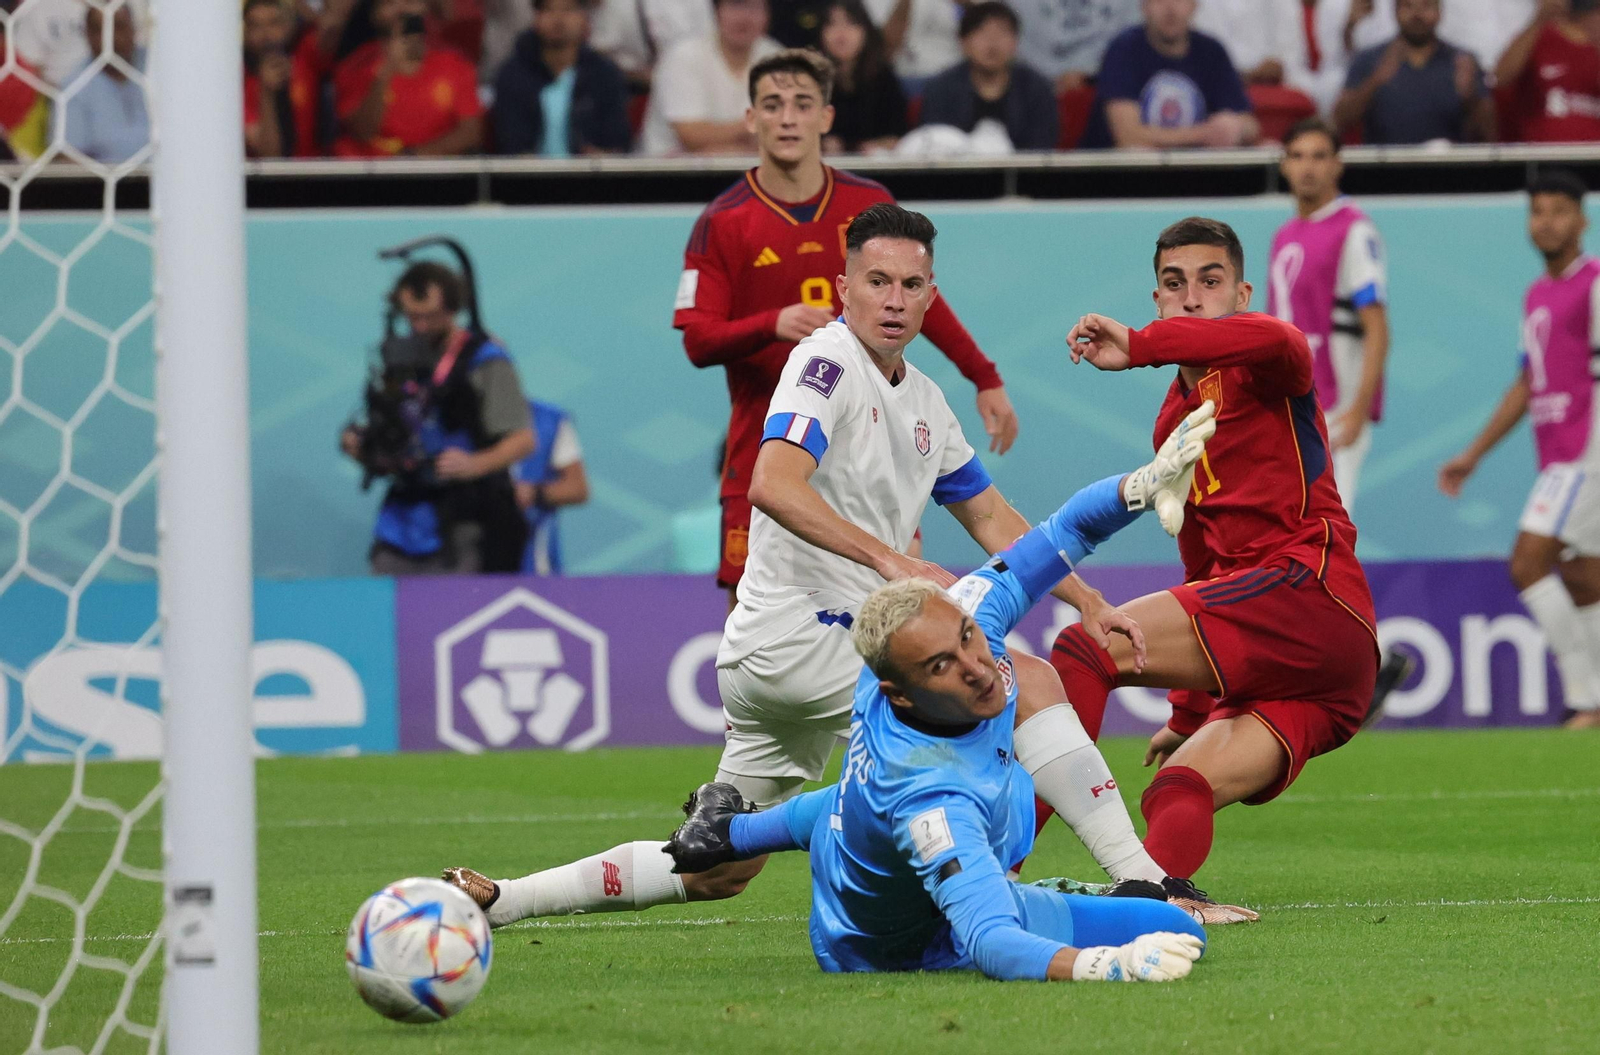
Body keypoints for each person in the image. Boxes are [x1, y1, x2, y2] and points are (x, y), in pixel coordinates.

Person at [442, 204, 1257, 927]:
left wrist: (1081, 595)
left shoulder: (926, 399)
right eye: (877, 281)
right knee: (1022, 684)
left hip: (784, 662)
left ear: (932, 295)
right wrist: (893, 566)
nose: (894, 299)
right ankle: (1146, 884)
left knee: (720, 866)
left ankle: (506, 897)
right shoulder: (824, 364)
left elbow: (988, 513)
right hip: (804, 633)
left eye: (911, 284)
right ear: (844, 287)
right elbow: (772, 482)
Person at [661, 425, 1221, 981]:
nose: (976, 667)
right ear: (900, 693)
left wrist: (1138, 488)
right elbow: (991, 942)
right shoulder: (932, 799)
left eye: (967, 639)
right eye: (940, 667)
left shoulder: (958, 619)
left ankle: (726, 829)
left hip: (849, 832)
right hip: (900, 943)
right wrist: (1109, 964)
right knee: (1173, 929)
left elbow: (1064, 529)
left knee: (846, 810)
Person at [1046, 217, 1380, 887]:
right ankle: (1151, 900)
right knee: (1177, 784)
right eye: (1174, 284)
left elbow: (1257, 338)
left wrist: (1140, 345)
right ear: (1158, 298)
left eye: (1210, 281)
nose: (1192, 297)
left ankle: (997, 873)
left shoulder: (1274, 356)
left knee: (1085, 650)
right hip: (1322, 673)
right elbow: (1201, 565)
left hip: (1307, 591)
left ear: (1243, 294)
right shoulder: (1173, 423)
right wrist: (1186, 713)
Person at [672, 48, 1018, 607]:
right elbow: (697, 340)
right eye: (773, 104)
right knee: (753, 614)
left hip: (874, 457)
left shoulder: (868, 205)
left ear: (826, 118)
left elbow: (924, 297)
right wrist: (771, 323)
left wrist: (984, 376)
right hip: (765, 451)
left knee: (896, 617)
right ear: (750, 119)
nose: (788, 118)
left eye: (802, 104)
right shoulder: (722, 221)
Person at [1438, 171, 1600, 731]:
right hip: (1560, 454)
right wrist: (1474, 453)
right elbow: (1528, 383)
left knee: (1528, 562)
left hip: (1589, 455)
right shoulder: (1537, 294)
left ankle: (1586, 700)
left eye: (1559, 211)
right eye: (1538, 211)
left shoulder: (1595, 283)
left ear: (1582, 219)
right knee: (1583, 577)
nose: (1547, 222)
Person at [340, 262, 535, 574]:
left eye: (429, 316)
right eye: (411, 316)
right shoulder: (399, 361)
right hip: (403, 518)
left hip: (468, 517)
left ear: (453, 308)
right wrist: (365, 449)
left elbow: (523, 440)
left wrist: (474, 464)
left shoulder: (486, 360)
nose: (419, 326)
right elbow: (393, 437)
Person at [1267, 118, 1389, 510]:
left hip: (1334, 408)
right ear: (1283, 164)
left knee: (1326, 528)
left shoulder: (1354, 230)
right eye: (1298, 156)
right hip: (1289, 407)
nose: (1308, 167)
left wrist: (1358, 410)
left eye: (1319, 156)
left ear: (1338, 164)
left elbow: (1377, 328)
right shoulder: (1285, 235)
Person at [1081, 0, 1259, 149]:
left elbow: (1250, 125)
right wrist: (1205, 134)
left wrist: (1236, 128)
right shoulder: (1123, 49)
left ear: (1194, 5)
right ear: (1144, 6)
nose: (1170, 9)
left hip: (1196, 180)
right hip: (1120, 181)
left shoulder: (1212, 52)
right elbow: (1128, 137)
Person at [332, 0, 484, 157]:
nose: (401, 9)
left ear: (425, 8)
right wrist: (386, 71)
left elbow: (471, 133)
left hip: (434, 173)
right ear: (374, 14)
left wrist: (415, 157)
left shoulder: (454, 64)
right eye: (390, 3)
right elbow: (362, 133)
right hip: (371, 174)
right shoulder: (354, 66)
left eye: (410, 1)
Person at [1332, 0, 1494, 145]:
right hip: (1384, 170)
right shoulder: (1369, 60)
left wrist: (1471, 97)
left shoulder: (1462, 62)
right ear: (1395, 11)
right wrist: (1374, 82)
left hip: (1448, 170)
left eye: (1426, 5)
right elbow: (1340, 120)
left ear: (1440, 11)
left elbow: (1489, 135)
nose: (1417, 15)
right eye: (1408, 5)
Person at [490, 0, 633, 156]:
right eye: (549, 10)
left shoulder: (604, 74)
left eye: (568, 9)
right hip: (528, 176)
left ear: (584, 18)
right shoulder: (512, 75)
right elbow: (510, 141)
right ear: (536, 18)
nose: (558, 19)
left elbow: (618, 139)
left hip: (590, 175)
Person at [639, 0, 781, 154]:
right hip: (669, 173)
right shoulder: (684, 55)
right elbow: (692, 137)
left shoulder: (777, 58)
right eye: (736, 6)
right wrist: (755, 126)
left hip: (753, 170)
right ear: (716, 12)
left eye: (754, 8)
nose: (744, 17)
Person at [917, 2, 1061, 152]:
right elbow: (934, 142)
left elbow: (1041, 146)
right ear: (963, 42)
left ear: (1015, 42)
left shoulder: (1036, 88)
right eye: (982, 32)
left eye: (1002, 33)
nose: (992, 43)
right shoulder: (940, 89)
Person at [1496, 0, 1600, 144]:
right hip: (1544, 156)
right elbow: (1500, 78)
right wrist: (1539, 20)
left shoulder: (1594, 49)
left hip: (1593, 155)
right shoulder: (1537, 39)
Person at [59, 2, 149, 165]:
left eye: (119, 27)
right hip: (106, 186)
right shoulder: (74, 86)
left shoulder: (159, 69)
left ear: (133, 30)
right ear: (86, 34)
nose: (111, 38)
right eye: (99, 30)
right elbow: (67, 159)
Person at [816, 0, 907, 154]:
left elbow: (900, 137)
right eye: (831, 24)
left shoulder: (884, 79)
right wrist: (821, 143)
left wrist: (879, 145)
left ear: (866, 31)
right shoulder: (813, 79)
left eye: (851, 23)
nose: (841, 32)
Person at [243, 0, 331, 158]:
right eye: (255, 26)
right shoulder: (237, 82)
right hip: (263, 178)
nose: (266, 34)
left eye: (274, 23)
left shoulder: (305, 57)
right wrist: (266, 93)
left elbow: (333, 26)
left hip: (315, 172)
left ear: (288, 26)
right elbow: (270, 155)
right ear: (245, 32)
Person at [512, 398, 590, 574]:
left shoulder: (548, 419)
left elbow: (578, 488)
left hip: (534, 563)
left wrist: (534, 493)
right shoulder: (458, 416)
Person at [1010, 0, 1142, 94]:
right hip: (1029, 87)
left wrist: (1088, 74)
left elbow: (1135, 38)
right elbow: (1005, 32)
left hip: (1106, 87)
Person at [1191, 0, 1313, 91]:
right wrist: (1251, 72)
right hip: (1232, 76)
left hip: (1284, 75)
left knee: (1318, 87)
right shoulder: (1207, 4)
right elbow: (1211, 46)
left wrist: (1279, 64)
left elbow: (1292, 46)